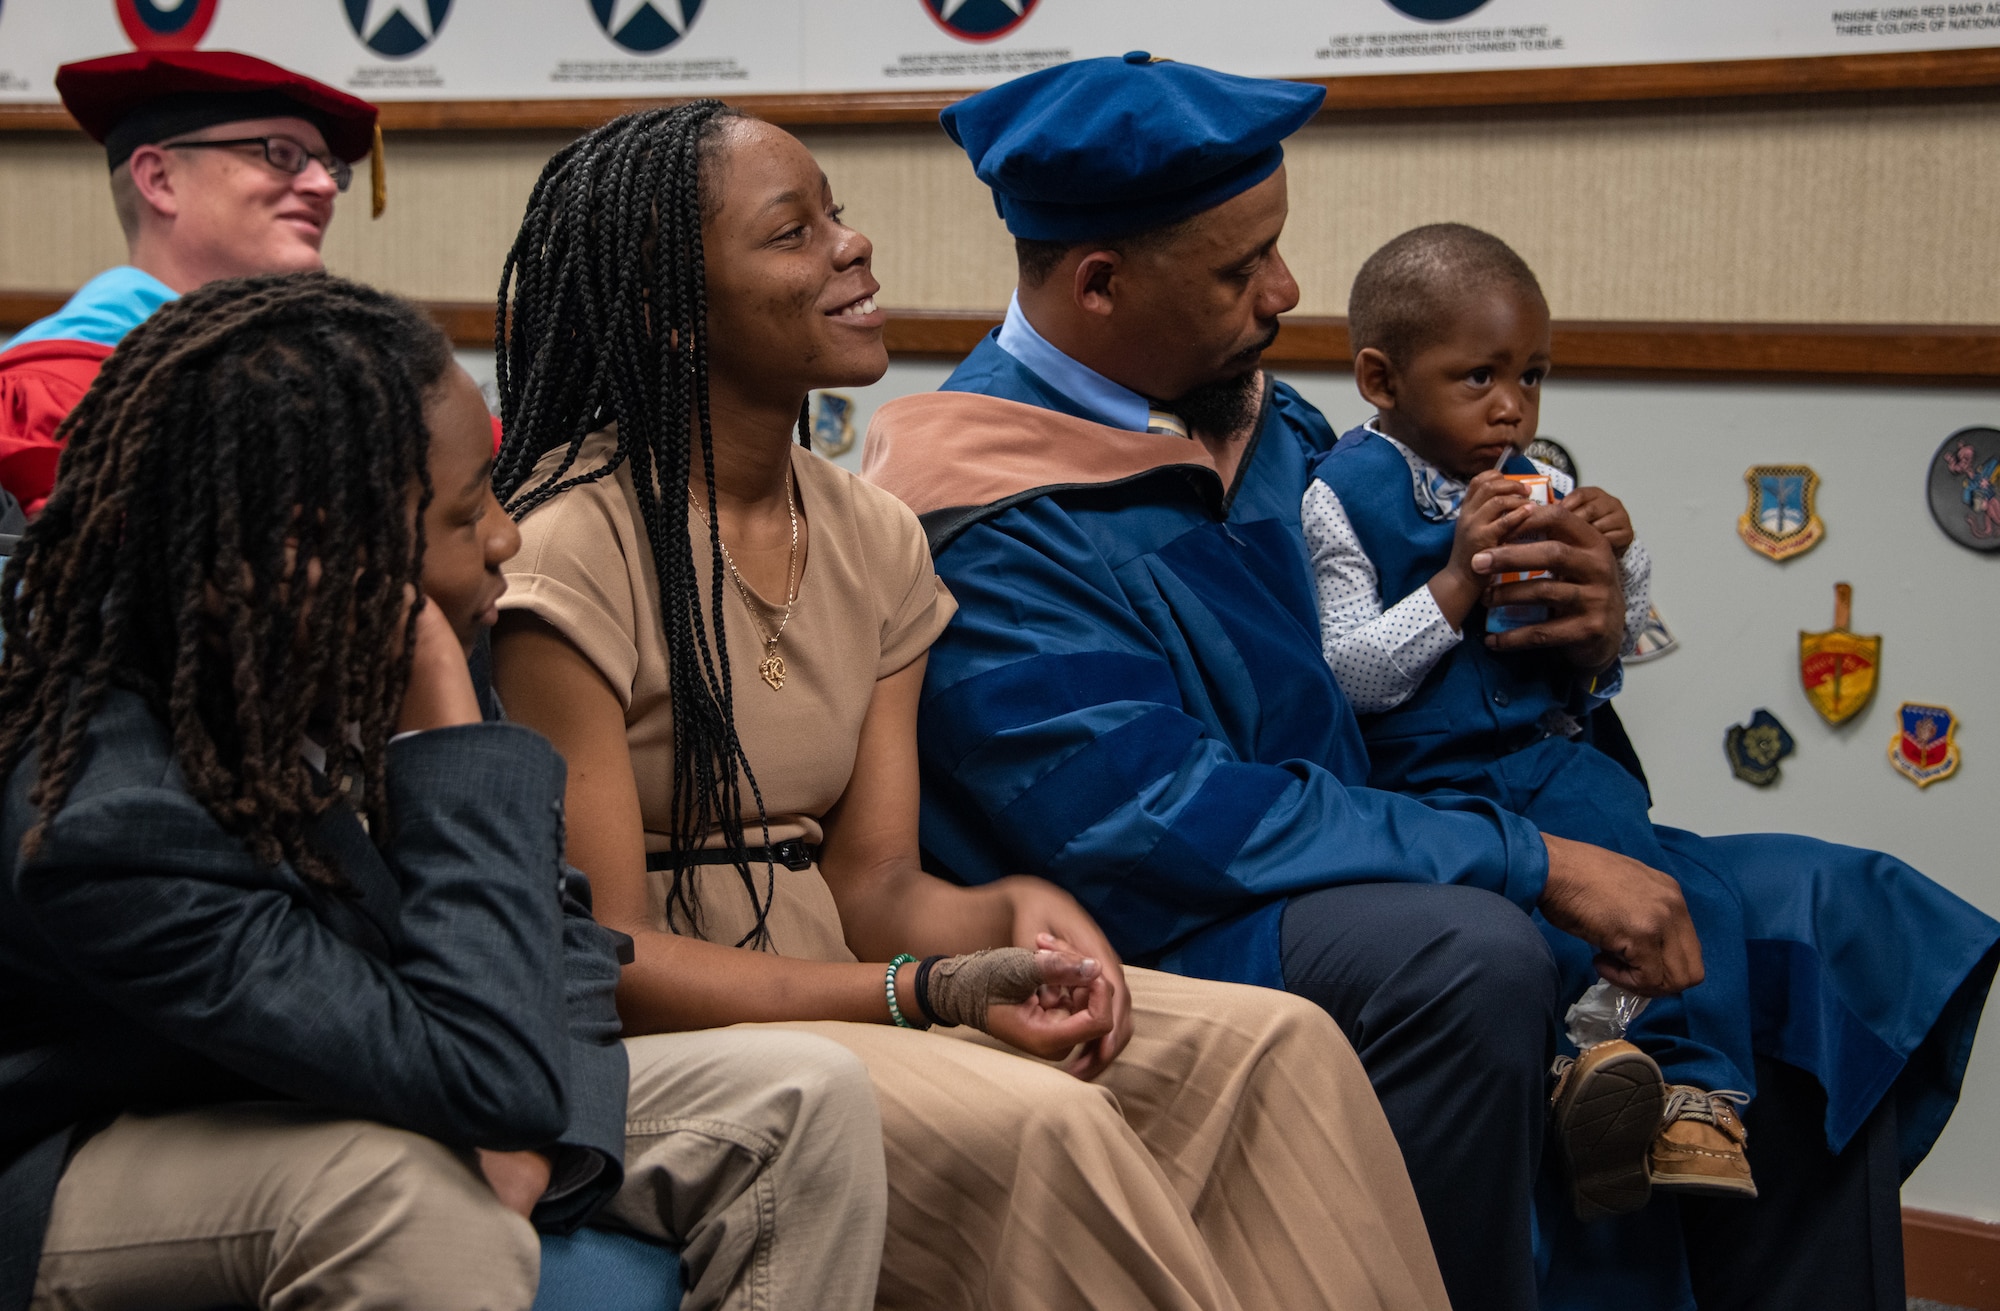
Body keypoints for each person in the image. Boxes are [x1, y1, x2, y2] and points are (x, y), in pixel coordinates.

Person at [861, 54, 1997, 1311]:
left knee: (1822, 909)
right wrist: (1530, 861)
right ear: (1097, 283)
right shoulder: (986, 514)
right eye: (1242, 270)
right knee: (1478, 948)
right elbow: (1159, 821)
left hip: (1380, 831)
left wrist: (1577, 629)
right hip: (1171, 923)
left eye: (1275, 248)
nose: (1285, 294)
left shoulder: (1258, 420)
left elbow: (1402, 676)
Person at [487, 101, 1450, 1311]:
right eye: (793, 233)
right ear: (669, 314)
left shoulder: (872, 533)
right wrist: (922, 992)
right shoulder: (566, 551)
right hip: (685, 1043)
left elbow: (876, 888)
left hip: (845, 981)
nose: (852, 246)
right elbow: (612, 960)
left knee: (1272, 1044)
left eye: (836, 211)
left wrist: (1011, 911)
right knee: (1042, 1122)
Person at [0, 273, 887, 1311]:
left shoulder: (353, 647)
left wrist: (544, 1132)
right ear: (311, 552)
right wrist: (447, 735)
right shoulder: (110, 815)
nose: (508, 537)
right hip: (96, 1147)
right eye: (470, 514)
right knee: (402, 1195)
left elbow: (564, 948)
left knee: (804, 1095)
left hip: (386, 1062)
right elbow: (477, 1069)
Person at [1308, 220, 2000, 1224]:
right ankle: (1601, 1066)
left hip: (1548, 753)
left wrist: (1615, 566)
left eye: (1533, 376)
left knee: (1681, 890)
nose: (1511, 407)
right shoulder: (1341, 496)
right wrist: (1454, 581)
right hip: (1428, 780)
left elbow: (1605, 643)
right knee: (1570, 913)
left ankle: (1682, 1100)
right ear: (1379, 379)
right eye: (1477, 379)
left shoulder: (1523, 472)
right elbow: (1350, 676)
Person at [0, 50, 377, 516]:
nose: (323, 185)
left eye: (329, 166)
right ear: (159, 179)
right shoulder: (55, 393)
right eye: (282, 154)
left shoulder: (347, 367)